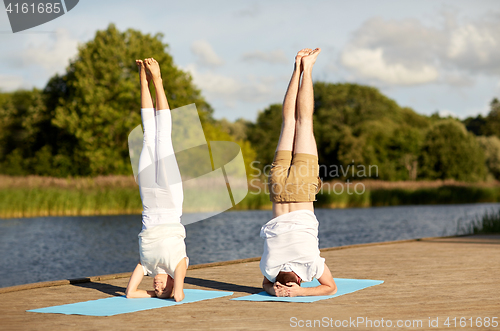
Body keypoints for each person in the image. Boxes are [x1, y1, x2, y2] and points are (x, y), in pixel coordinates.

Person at [260, 48, 337, 297]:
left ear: (299, 281)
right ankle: (296, 67)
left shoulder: (310, 266)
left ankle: (308, 68)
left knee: (304, 121)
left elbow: (329, 287)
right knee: (289, 122)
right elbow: (265, 285)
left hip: (302, 190)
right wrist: (277, 290)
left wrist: (299, 293)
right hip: (278, 190)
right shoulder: (269, 268)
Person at [125, 58, 187, 302]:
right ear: (173, 284)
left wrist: (152, 294)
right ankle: (158, 81)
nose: (159, 287)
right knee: (163, 139)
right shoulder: (178, 265)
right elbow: (179, 295)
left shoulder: (146, 265)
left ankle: (143, 77)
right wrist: (175, 291)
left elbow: (130, 294)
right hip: (171, 202)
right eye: (164, 289)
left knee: (148, 138)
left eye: (157, 289)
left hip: (149, 203)